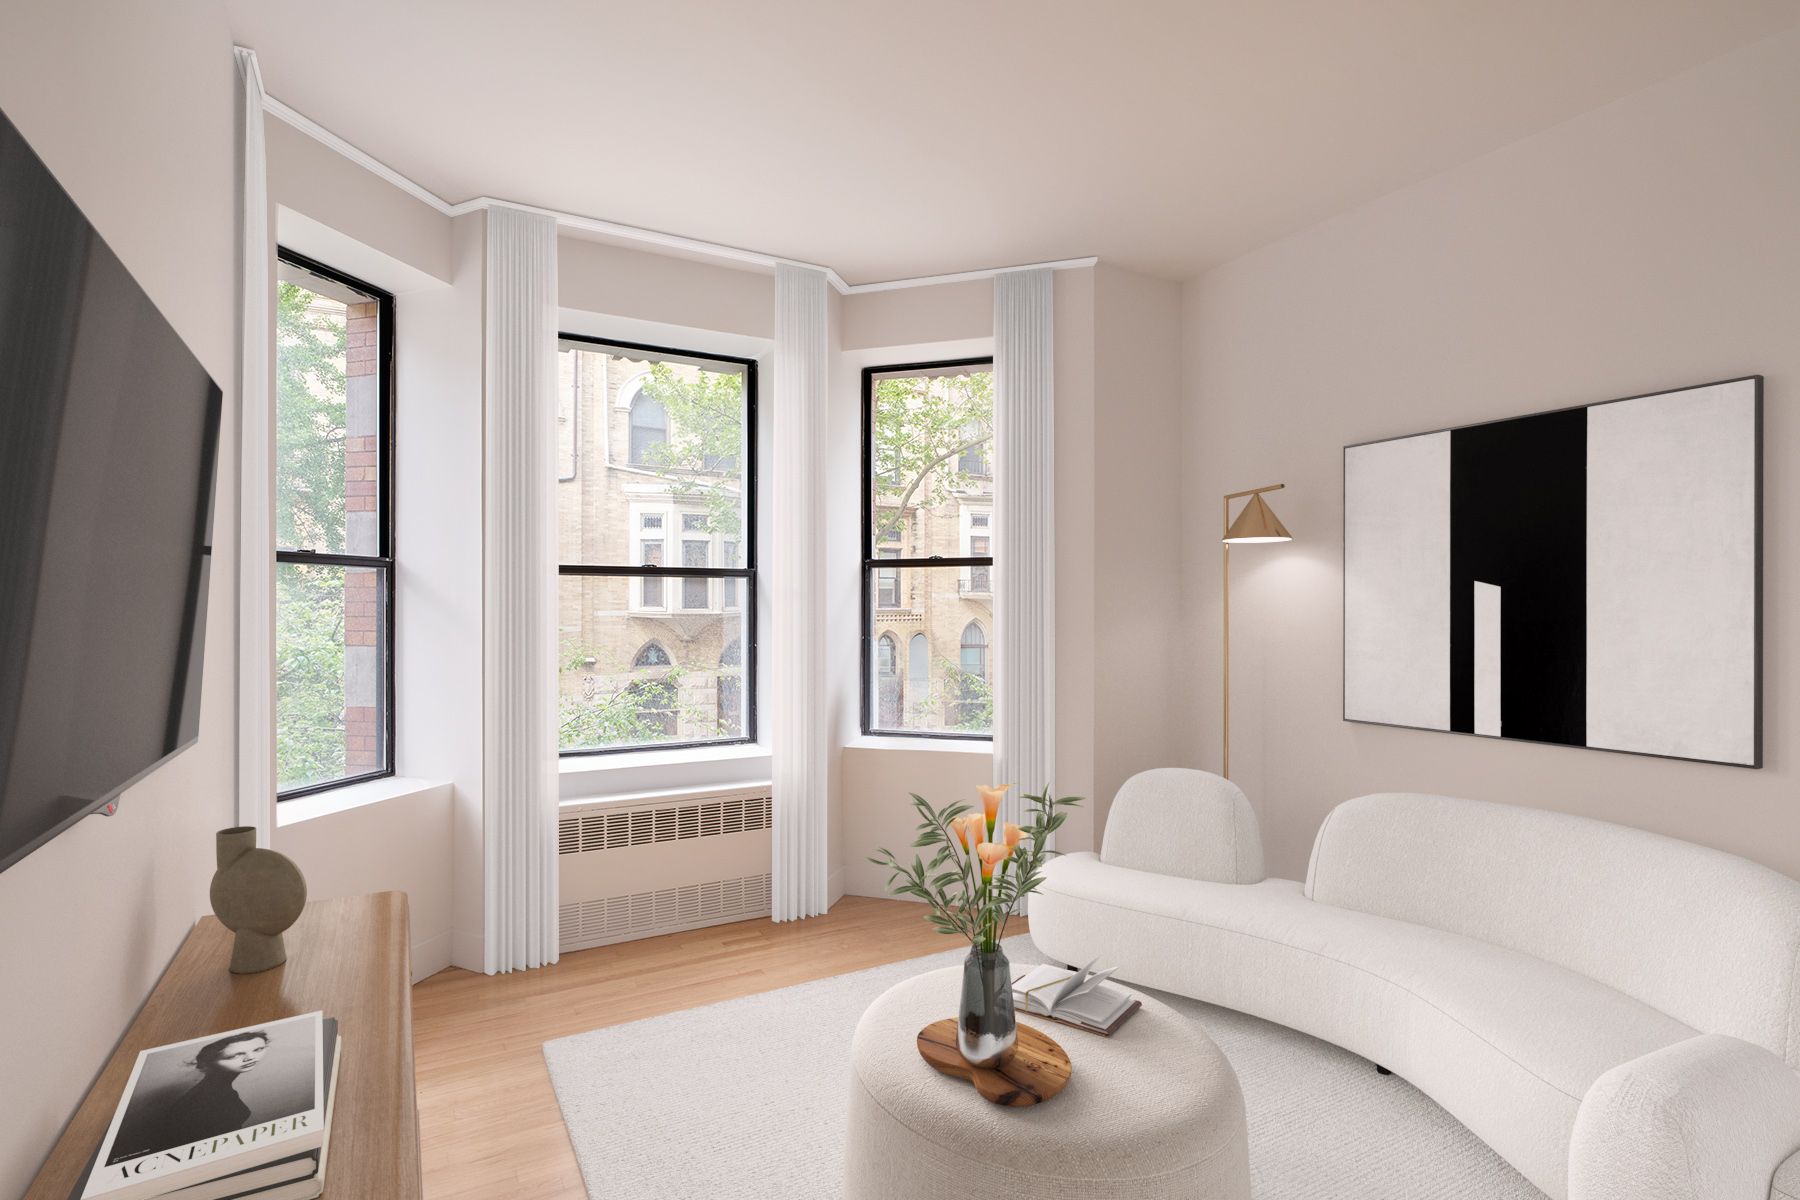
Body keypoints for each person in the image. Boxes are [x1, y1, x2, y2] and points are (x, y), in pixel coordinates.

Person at [108, 1031, 270, 1163]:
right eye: (234, 1055)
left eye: (258, 1049)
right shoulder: (210, 1099)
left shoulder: (217, 1089)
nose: (251, 1058)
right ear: (208, 1063)